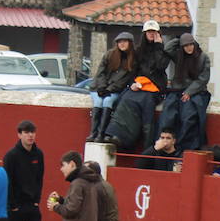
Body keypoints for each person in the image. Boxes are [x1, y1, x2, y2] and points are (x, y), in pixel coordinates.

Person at [102, 20, 170, 150]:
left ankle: (138, 141)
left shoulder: (163, 50)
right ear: (144, 34)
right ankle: (115, 134)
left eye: (154, 32)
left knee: (146, 104)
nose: (151, 34)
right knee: (125, 100)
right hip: (138, 86)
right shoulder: (138, 51)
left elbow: (161, 66)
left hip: (154, 89)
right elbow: (133, 70)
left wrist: (158, 46)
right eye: (149, 32)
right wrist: (132, 84)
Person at [159, 32, 211, 151]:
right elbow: (167, 49)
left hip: (196, 91)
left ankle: (184, 146)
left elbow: (203, 78)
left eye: (190, 44)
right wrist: (179, 39)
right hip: (177, 90)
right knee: (168, 114)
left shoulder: (203, 57)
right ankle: (167, 142)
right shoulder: (179, 55)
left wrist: (189, 92)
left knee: (188, 116)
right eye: (186, 45)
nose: (189, 48)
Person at [87, 32, 139, 141]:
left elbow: (124, 80)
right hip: (98, 87)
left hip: (114, 90)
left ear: (130, 43)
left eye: (124, 41)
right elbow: (100, 72)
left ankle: (102, 133)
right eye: (119, 42)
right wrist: (102, 87)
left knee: (107, 101)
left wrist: (109, 89)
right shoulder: (109, 54)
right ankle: (93, 133)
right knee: (98, 102)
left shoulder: (133, 60)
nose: (122, 44)